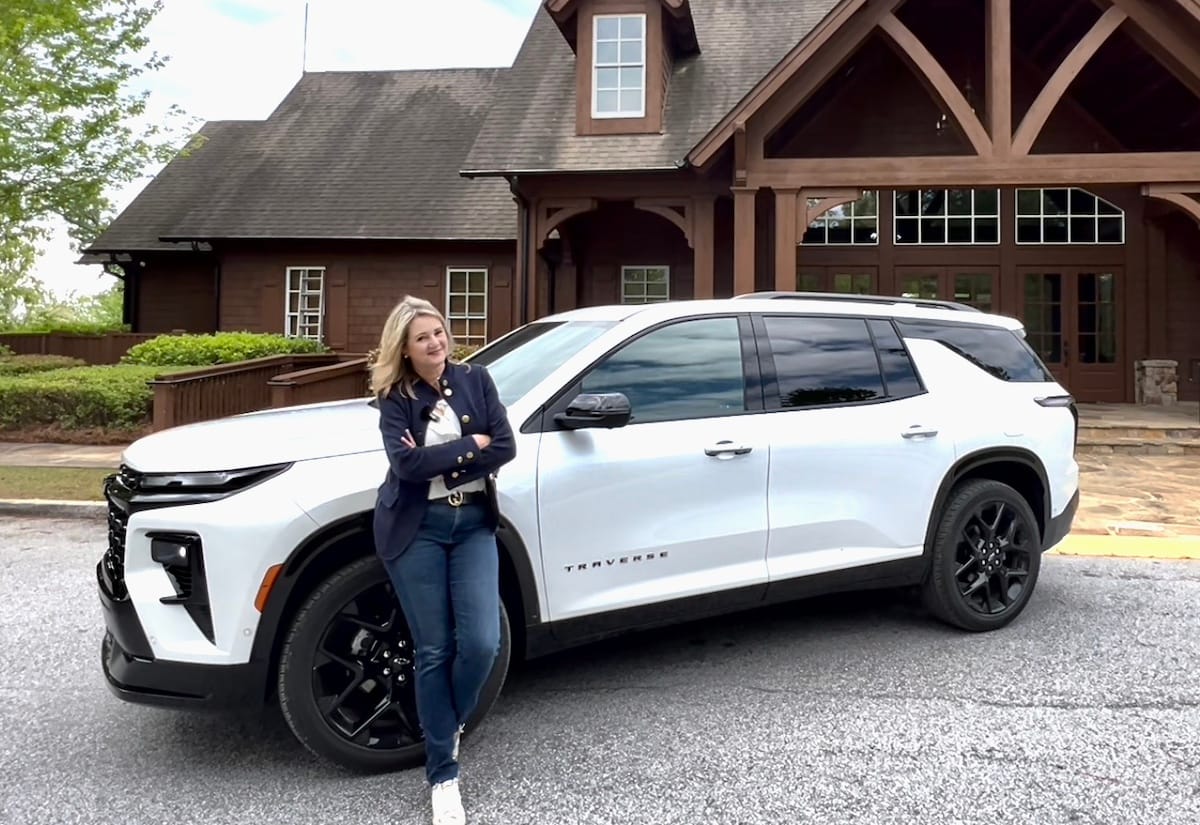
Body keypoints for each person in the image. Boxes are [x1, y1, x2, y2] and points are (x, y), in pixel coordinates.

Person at [371, 295, 516, 825]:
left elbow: (505, 445)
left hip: (473, 522)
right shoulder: (394, 397)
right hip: (417, 530)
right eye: (422, 338)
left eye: (439, 332)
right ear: (405, 350)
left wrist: (448, 460)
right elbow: (406, 466)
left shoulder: (477, 379)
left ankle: (446, 721)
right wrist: (468, 447)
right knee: (435, 649)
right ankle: (443, 773)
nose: (436, 343)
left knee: (482, 642)